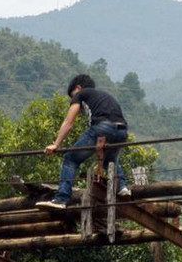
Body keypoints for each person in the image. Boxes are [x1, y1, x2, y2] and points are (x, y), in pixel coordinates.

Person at [36, 75, 131, 209]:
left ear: (78, 88)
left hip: (102, 127)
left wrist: (56, 144)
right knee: (109, 161)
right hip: (122, 130)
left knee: (70, 159)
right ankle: (123, 188)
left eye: (72, 95)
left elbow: (69, 122)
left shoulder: (81, 94)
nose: (74, 100)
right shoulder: (104, 95)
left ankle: (61, 199)